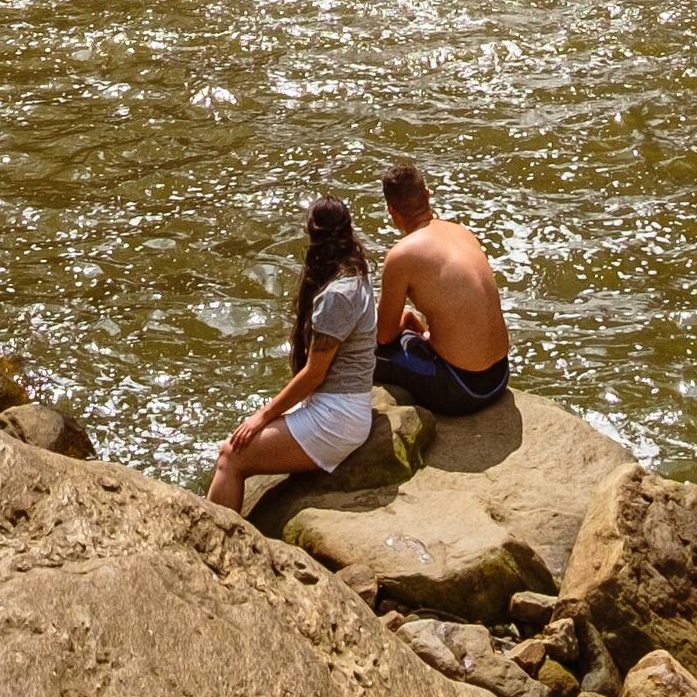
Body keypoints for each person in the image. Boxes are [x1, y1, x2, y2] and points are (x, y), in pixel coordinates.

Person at [205, 197, 376, 510]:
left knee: (231, 456)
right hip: (346, 406)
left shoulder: (337, 295)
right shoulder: (357, 273)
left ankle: (208, 548)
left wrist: (262, 416)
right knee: (234, 449)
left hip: (337, 418)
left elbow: (314, 373)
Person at [375, 161, 512, 415]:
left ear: (392, 211)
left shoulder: (401, 255)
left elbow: (383, 337)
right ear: (427, 195)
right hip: (501, 375)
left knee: (363, 352)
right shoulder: (461, 232)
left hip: (465, 389)